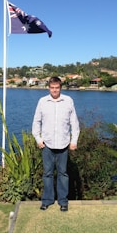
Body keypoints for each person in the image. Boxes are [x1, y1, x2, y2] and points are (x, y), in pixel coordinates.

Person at [32, 76, 80, 212]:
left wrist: (74, 141)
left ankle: (63, 201)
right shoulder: (42, 102)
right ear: (49, 88)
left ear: (60, 88)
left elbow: (74, 123)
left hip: (64, 145)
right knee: (47, 173)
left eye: (57, 88)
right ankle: (47, 200)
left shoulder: (68, 101)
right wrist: (38, 139)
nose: (54, 90)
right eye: (52, 88)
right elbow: (36, 122)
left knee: (63, 173)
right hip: (47, 145)